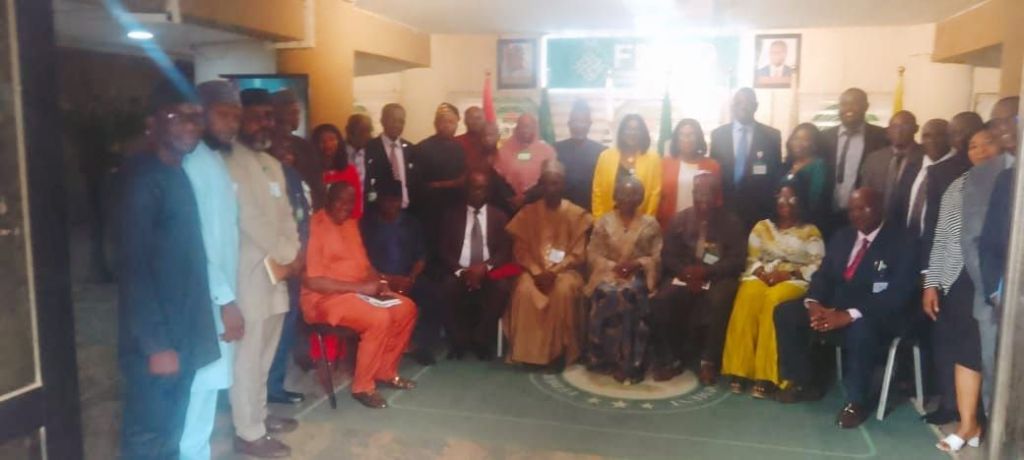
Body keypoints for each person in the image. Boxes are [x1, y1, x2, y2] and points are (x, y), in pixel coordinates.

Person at [117, 82, 219, 460]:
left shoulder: (176, 173)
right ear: (152, 124)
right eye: (177, 116)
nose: (190, 125)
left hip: (184, 331)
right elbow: (133, 268)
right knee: (148, 437)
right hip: (156, 340)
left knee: (171, 433)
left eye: (197, 117)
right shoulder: (142, 180)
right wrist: (157, 344)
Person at [774, 188, 919, 429]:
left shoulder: (903, 241)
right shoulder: (842, 237)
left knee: (861, 329)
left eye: (863, 208)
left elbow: (898, 294)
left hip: (880, 315)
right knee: (787, 313)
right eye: (852, 210)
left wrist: (848, 315)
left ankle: (856, 402)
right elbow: (823, 276)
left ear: (880, 208)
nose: (856, 214)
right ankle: (803, 382)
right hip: (836, 308)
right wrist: (814, 304)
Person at [224, 88, 302, 458]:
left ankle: (260, 414)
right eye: (256, 117)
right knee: (248, 357)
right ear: (240, 119)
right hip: (249, 276)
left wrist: (293, 253)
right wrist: (287, 253)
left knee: (266, 354)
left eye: (269, 117)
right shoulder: (230, 162)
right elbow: (249, 217)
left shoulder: (271, 163)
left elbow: (287, 214)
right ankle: (248, 432)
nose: (265, 124)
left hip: (277, 275)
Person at [922, 128, 1006, 451]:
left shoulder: (1011, 182)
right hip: (958, 280)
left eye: (988, 143)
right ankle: (969, 422)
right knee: (964, 351)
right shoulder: (958, 185)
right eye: (973, 146)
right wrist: (931, 283)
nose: (980, 150)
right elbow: (942, 237)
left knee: (981, 351)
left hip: (994, 279)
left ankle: (978, 422)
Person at [302, 182, 419, 409]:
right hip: (325, 300)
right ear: (328, 200)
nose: (345, 207)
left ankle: (385, 371)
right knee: (378, 318)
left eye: (350, 202)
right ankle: (362, 387)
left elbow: (365, 267)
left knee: (405, 308)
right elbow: (313, 281)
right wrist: (360, 289)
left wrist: (381, 284)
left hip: (358, 294)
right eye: (340, 201)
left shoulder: (351, 225)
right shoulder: (315, 226)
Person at [178, 80, 245, 460]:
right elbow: (194, 243)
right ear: (200, 113)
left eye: (236, 115)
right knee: (196, 391)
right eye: (224, 114)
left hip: (218, 294)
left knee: (205, 392)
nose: (232, 123)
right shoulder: (190, 163)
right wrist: (225, 299)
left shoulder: (214, 160)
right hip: (203, 298)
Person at [720, 184, 824, 398]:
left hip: (795, 279)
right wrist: (761, 273)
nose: (786, 204)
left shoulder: (810, 231)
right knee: (748, 295)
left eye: (792, 199)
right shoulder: (762, 227)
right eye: (781, 199)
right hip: (762, 274)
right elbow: (751, 258)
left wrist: (788, 274)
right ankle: (739, 369)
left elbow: (818, 265)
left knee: (773, 299)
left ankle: (767, 374)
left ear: (801, 202)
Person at [649, 173, 745, 385]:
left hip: (718, 276)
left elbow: (737, 260)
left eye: (707, 193)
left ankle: (708, 362)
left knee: (719, 299)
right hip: (684, 275)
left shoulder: (731, 222)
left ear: (717, 196)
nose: (702, 198)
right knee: (663, 299)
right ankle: (670, 359)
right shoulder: (680, 219)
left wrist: (707, 272)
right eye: (698, 193)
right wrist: (685, 272)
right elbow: (668, 255)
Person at [504, 160, 593, 369]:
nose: (551, 189)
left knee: (563, 290)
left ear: (563, 185)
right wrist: (536, 272)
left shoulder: (577, 215)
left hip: (566, 272)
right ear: (541, 186)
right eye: (546, 184)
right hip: (532, 271)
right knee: (524, 290)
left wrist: (554, 271)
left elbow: (579, 253)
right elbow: (520, 251)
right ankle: (527, 353)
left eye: (556, 183)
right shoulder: (528, 213)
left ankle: (559, 353)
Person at [584, 176, 662, 384]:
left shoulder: (650, 224)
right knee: (608, 293)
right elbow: (593, 253)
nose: (628, 198)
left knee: (629, 294)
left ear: (640, 198)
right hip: (607, 274)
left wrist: (638, 264)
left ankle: (629, 363)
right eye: (623, 194)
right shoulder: (604, 222)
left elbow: (657, 257)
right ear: (615, 196)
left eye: (634, 194)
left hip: (637, 275)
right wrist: (613, 266)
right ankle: (602, 358)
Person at [435, 171, 515, 360]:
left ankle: (481, 339)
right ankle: (458, 341)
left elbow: (504, 250)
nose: (477, 192)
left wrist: (485, 268)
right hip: (459, 270)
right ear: (466, 189)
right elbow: (443, 249)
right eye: (473, 188)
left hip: (489, 270)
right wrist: (462, 271)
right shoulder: (451, 215)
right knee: (445, 288)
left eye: (482, 188)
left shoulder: (499, 216)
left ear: (488, 191)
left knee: (502, 288)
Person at [360, 178, 438, 366]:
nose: (391, 205)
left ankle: (418, 346)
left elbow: (421, 257)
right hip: (377, 279)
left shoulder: (411, 223)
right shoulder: (367, 225)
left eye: (395, 200)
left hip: (407, 277)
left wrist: (411, 278)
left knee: (432, 294)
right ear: (379, 200)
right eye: (387, 200)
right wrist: (386, 279)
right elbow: (362, 261)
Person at [265, 135, 311, 406]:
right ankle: (259, 392)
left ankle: (274, 386)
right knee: (266, 332)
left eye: (289, 149)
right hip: (269, 266)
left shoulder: (293, 177)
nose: (286, 153)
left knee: (285, 329)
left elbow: (303, 219)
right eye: (280, 147)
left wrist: (300, 257)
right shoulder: (262, 177)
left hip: (295, 264)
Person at [709, 87, 783, 230]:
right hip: (725, 209)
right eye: (739, 102)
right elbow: (714, 173)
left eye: (748, 102)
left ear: (756, 106)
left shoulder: (771, 136)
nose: (743, 106)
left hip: (759, 212)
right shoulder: (718, 135)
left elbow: (775, 175)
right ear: (732, 106)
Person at [821, 88, 890, 231]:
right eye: (844, 104)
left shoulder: (881, 137)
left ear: (866, 107)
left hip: (865, 216)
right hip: (827, 214)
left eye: (855, 104)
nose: (848, 109)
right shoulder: (824, 137)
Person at [411, 103, 467, 248]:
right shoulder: (422, 148)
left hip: (454, 209)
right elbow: (417, 183)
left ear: (457, 124)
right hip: (429, 210)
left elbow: (463, 180)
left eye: (451, 122)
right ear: (435, 123)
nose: (447, 125)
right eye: (443, 121)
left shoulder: (460, 149)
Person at [591, 114, 662, 219]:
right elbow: (597, 192)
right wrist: (599, 220)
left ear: (642, 133)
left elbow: (654, 194)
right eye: (628, 129)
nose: (632, 133)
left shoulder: (653, 159)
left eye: (636, 129)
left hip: (641, 221)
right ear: (621, 132)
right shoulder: (605, 156)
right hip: (608, 220)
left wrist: (645, 222)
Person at [858, 110, 924, 222]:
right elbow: (865, 194)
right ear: (888, 130)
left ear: (915, 128)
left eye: (905, 126)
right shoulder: (874, 159)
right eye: (894, 126)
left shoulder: (925, 157)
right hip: (878, 223)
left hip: (912, 223)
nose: (899, 131)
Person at [656, 119, 721, 227]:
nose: (686, 139)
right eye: (682, 135)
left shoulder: (712, 166)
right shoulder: (664, 163)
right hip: (669, 225)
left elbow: (717, 200)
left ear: (698, 138)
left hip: (702, 227)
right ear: (676, 138)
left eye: (691, 135)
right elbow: (658, 198)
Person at [272, 88, 323, 209]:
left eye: (297, 112)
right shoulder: (266, 145)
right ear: (278, 114)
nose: (297, 117)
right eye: (292, 112)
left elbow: (316, 183)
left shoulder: (304, 146)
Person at [554, 99, 605, 212]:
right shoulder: (556, 149)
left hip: (591, 211)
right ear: (569, 124)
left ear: (590, 124)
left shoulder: (602, 152)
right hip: (563, 212)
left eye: (583, 121)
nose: (579, 126)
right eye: (575, 121)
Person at [780, 123, 829, 231]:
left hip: (805, 226)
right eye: (796, 139)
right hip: (783, 223)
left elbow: (815, 201)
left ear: (814, 144)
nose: (798, 143)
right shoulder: (788, 164)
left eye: (805, 140)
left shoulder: (818, 165)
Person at [495, 113, 556, 200]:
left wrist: (529, 197)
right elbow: (498, 180)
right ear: (517, 128)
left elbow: (550, 179)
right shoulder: (503, 151)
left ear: (535, 129)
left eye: (529, 127)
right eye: (522, 126)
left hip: (538, 201)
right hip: (509, 201)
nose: (525, 130)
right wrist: (511, 198)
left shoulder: (547, 151)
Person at [366, 103, 414, 209]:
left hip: (408, 210)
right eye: (393, 120)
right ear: (382, 121)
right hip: (379, 211)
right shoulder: (370, 147)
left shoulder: (410, 149)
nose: (397, 125)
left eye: (401, 121)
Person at [345, 113, 395, 213]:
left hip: (369, 210)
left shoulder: (375, 152)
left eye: (369, 131)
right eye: (362, 131)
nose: (367, 135)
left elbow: (382, 182)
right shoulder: (339, 153)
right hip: (343, 209)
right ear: (349, 131)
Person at [312, 123, 363, 219]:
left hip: (346, 222)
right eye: (322, 141)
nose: (328, 144)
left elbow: (356, 204)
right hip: (318, 221)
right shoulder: (311, 171)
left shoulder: (350, 171)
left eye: (332, 139)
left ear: (339, 141)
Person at [455, 106, 488, 172]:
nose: (475, 122)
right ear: (465, 121)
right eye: (471, 118)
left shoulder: (489, 142)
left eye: (478, 118)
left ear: (485, 120)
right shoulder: (456, 142)